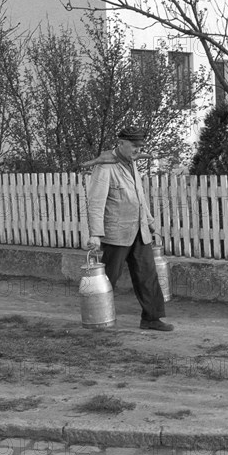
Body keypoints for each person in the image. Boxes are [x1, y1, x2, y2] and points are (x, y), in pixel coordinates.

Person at [87, 126, 174, 331]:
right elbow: (96, 202)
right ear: (121, 143)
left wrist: (151, 222)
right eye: (134, 146)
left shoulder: (131, 164)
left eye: (140, 146)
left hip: (139, 231)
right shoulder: (105, 167)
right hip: (116, 233)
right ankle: (96, 316)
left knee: (147, 275)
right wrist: (95, 234)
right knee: (107, 278)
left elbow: (139, 197)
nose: (137, 150)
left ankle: (151, 319)